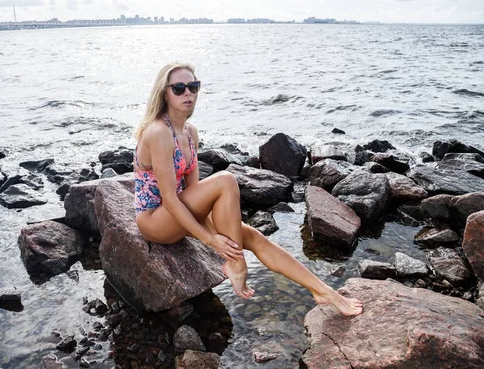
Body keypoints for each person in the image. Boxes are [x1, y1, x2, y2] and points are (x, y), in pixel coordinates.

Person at [133, 62, 363, 315]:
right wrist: (211, 240)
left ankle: (323, 291)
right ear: (164, 93)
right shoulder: (158, 133)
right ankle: (237, 266)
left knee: (253, 237)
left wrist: (219, 236)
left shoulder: (189, 133)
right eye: (178, 88)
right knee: (226, 180)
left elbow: (196, 193)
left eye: (193, 86)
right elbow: (170, 199)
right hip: (154, 220)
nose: (188, 93)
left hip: (178, 212)